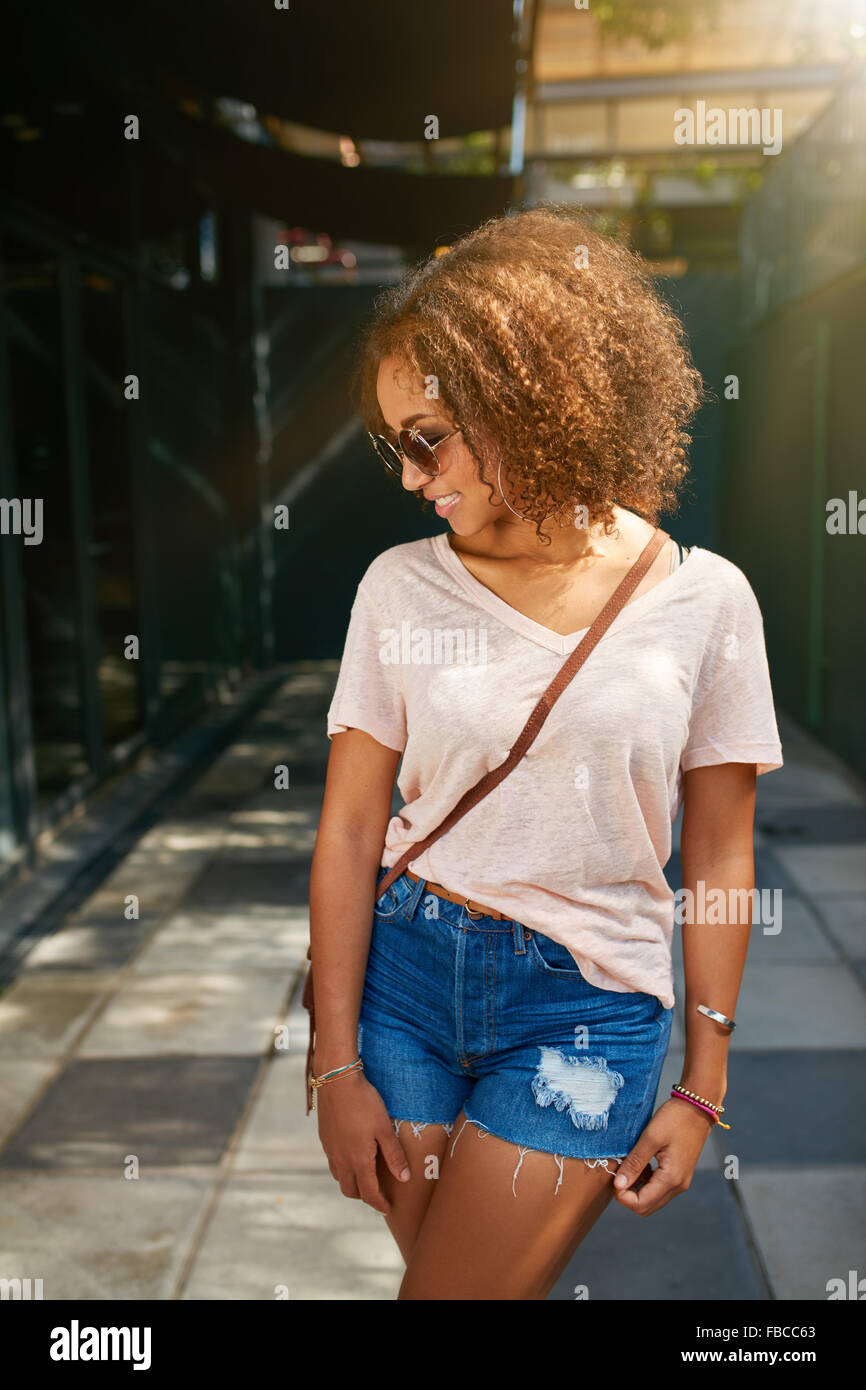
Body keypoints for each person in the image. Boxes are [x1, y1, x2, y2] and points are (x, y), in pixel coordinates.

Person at [307, 205, 783, 1300]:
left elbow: (715, 858)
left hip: (585, 1010)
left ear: (522, 392)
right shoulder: (396, 587)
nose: (409, 471)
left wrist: (702, 1080)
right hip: (404, 986)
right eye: (395, 444)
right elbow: (345, 828)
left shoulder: (706, 601)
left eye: (425, 434)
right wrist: (335, 1059)